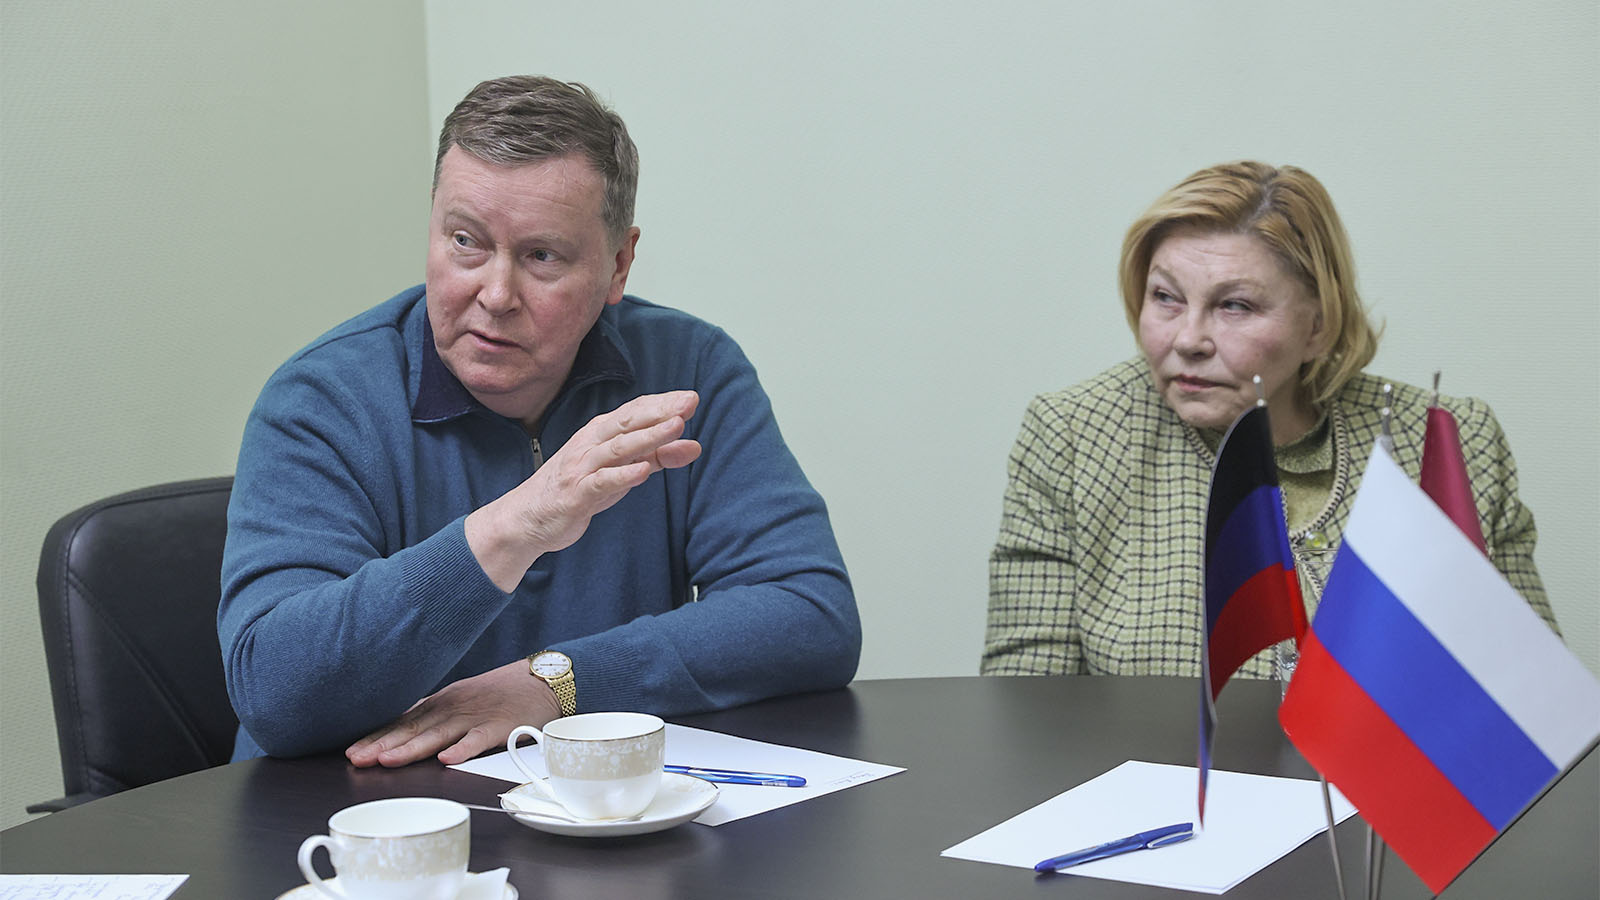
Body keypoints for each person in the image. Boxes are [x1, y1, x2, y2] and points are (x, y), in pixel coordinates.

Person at [219, 76, 860, 766]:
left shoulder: (689, 369)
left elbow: (809, 613)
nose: (495, 294)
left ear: (618, 265)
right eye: (465, 241)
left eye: (542, 256)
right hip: (359, 812)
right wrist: (516, 524)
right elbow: (274, 690)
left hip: (596, 807)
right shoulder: (321, 399)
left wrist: (556, 684)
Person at [982, 160, 1558, 679]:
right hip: (1161, 769)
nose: (1188, 340)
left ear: (1318, 327)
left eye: (1235, 305)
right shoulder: (1074, 437)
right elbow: (1029, 709)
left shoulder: (1448, 441)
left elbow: (1534, 697)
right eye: (1166, 297)